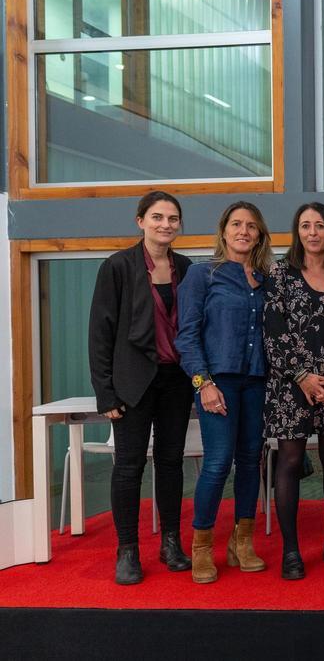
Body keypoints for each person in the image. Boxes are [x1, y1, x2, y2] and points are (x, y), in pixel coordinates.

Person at [88, 191, 194, 585]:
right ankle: (128, 550)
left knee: (171, 462)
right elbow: (100, 333)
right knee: (129, 467)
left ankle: (170, 543)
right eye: (157, 217)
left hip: (176, 382)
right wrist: (105, 392)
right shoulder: (117, 266)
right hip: (132, 382)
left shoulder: (187, 268)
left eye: (172, 218)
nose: (165, 224)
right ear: (140, 221)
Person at [176, 202, 272, 584]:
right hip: (218, 382)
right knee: (217, 464)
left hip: (258, 382)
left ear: (260, 234)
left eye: (251, 225)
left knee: (251, 462)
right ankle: (202, 546)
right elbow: (187, 335)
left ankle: (241, 542)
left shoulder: (267, 280)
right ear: (224, 230)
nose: (243, 231)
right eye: (236, 224)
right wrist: (204, 383)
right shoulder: (202, 275)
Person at [263, 202, 324, 580]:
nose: (313, 232)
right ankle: (291, 550)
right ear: (297, 231)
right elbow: (274, 332)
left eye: (319, 225)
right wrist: (303, 376)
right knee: (289, 462)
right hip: (291, 386)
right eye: (305, 225)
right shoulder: (280, 274)